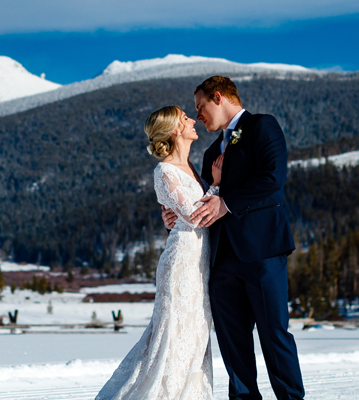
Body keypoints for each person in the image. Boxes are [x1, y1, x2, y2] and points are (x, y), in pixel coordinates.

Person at [164, 76, 304, 400]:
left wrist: (226, 203)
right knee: (233, 347)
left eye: (200, 107)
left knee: (274, 337)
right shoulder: (212, 151)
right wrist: (174, 217)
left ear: (218, 97)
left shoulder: (262, 127)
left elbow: (273, 178)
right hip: (221, 264)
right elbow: (203, 203)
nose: (198, 115)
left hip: (263, 254)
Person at [96, 105, 217, 399]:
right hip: (182, 266)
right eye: (186, 118)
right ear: (175, 130)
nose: (193, 120)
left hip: (201, 265)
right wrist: (218, 184)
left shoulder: (193, 169)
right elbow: (193, 214)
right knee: (172, 337)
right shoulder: (164, 170)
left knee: (195, 337)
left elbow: (186, 213)